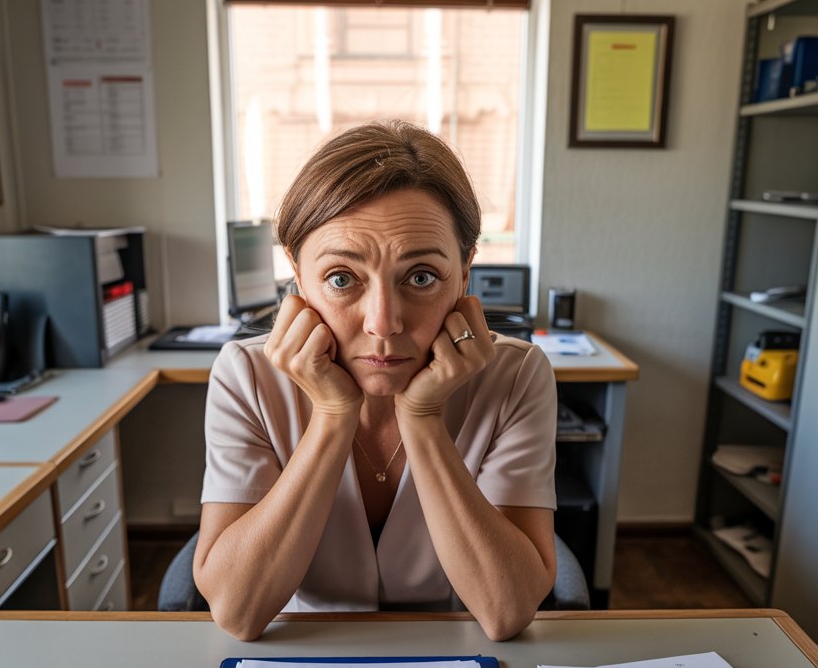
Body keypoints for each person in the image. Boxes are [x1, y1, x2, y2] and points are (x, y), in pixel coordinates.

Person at [194, 120, 557, 641]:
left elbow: (505, 611)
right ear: (298, 275)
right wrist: (332, 415)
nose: (383, 323)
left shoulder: (516, 376)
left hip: (454, 646)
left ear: (465, 271)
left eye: (422, 277)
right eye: (342, 279)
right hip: (303, 653)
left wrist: (424, 419)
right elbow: (238, 611)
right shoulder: (247, 376)